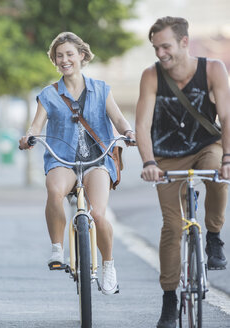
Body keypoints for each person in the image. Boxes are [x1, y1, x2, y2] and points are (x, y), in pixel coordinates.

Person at [18, 32, 135, 295]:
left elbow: (118, 119)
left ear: (82, 56)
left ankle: (108, 265)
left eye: (69, 54)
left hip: (97, 160)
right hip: (63, 160)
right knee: (55, 190)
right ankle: (57, 249)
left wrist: (129, 133)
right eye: (59, 56)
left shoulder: (102, 89)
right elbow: (36, 125)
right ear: (54, 60)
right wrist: (29, 137)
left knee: (98, 214)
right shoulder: (49, 94)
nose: (64, 60)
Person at [135, 16, 230, 328]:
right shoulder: (151, 76)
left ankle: (213, 235)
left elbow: (227, 116)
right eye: (155, 48)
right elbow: (142, 126)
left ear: (184, 42)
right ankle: (169, 298)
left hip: (206, 145)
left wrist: (228, 158)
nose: (160, 53)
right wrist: (148, 163)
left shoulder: (213, 69)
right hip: (165, 156)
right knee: (172, 227)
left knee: (216, 173)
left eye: (166, 46)